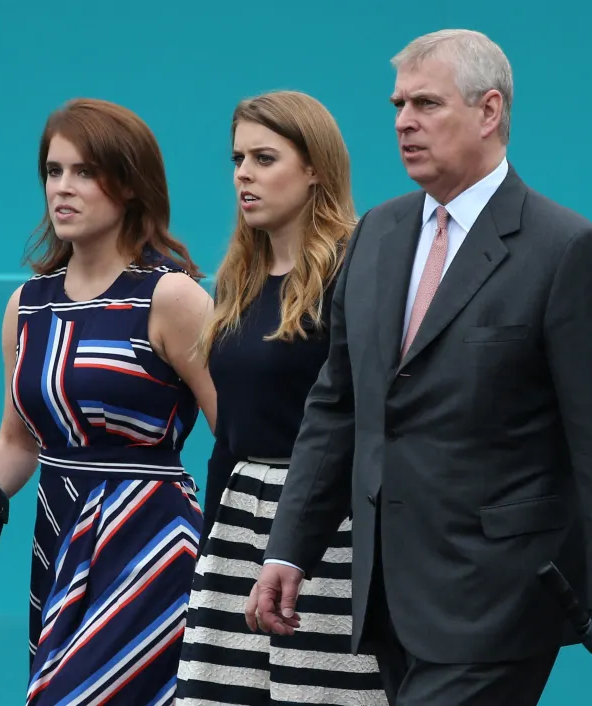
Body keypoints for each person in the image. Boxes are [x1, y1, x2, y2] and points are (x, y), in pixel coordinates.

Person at [247, 29, 592, 706]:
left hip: (500, 596)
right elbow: (340, 407)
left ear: (490, 111)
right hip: (386, 597)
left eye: (426, 104)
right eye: (397, 104)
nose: (404, 122)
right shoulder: (377, 234)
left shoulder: (566, 250)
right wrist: (289, 549)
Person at [0, 97, 217, 705]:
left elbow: (241, 431)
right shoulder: (27, 306)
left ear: (130, 184)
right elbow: (17, 442)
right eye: (53, 170)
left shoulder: (171, 297)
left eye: (85, 172)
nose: (62, 188)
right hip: (59, 537)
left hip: (150, 543)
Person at [175, 90, 387, 706]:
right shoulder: (237, 280)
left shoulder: (360, 269)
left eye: (265, 158)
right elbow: (229, 436)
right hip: (240, 523)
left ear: (315, 166)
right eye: (238, 158)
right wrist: (211, 547)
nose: (244, 173)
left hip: (330, 528)